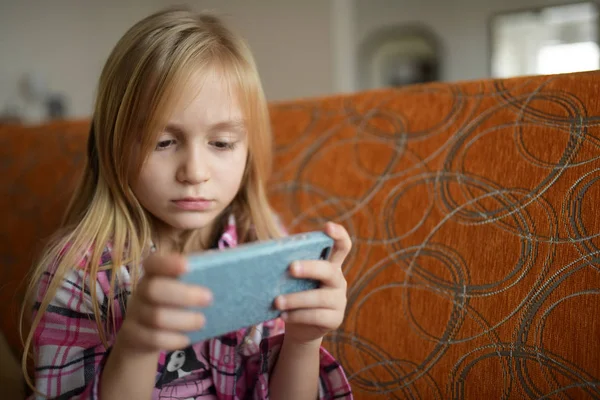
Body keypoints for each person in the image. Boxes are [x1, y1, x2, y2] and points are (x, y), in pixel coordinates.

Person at [20, 7, 352, 400]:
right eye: (164, 142)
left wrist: (303, 342)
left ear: (249, 150)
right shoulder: (78, 272)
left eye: (222, 143)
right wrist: (138, 346)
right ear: (114, 146)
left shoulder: (264, 241)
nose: (194, 172)